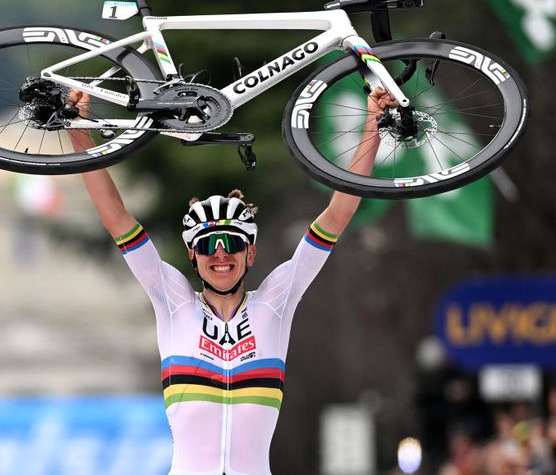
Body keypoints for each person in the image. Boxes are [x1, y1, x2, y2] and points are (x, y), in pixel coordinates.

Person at [67, 86, 397, 475]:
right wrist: (79, 130)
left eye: (232, 244)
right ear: (193, 255)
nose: (220, 253)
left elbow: (338, 213)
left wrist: (372, 124)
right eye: (207, 244)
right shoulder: (174, 300)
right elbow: (116, 218)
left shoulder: (276, 299)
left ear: (250, 253)